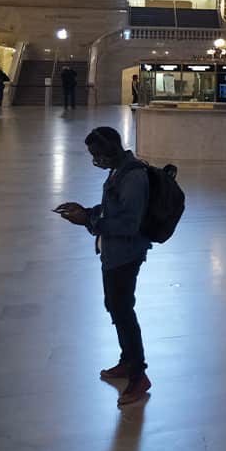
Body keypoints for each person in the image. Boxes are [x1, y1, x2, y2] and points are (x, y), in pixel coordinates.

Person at [55, 126, 153, 405]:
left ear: (110, 149)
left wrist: (89, 221)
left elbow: (129, 224)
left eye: (97, 153)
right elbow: (113, 211)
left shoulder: (132, 176)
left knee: (123, 311)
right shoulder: (119, 171)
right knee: (115, 306)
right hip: (113, 253)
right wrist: (85, 211)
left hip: (126, 255)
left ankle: (138, 375)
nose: (95, 159)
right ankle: (127, 360)